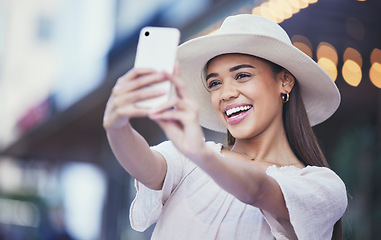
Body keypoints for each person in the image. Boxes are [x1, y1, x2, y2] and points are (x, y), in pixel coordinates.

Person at [103, 14, 347, 239]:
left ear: (284, 81)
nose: (226, 94)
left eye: (242, 76)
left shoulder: (322, 186)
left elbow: (257, 190)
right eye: (215, 83)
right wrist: (117, 126)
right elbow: (145, 167)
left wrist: (199, 153)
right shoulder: (188, 159)